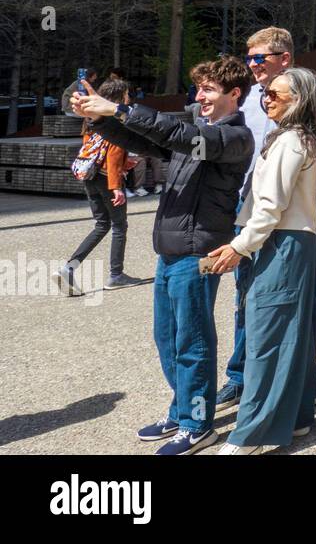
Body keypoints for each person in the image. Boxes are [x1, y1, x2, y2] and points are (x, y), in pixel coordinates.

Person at [72, 55, 255, 455]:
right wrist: (100, 119)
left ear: (235, 94)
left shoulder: (234, 138)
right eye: (198, 88)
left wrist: (119, 107)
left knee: (192, 341)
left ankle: (198, 424)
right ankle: (181, 409)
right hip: (170, 251)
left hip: (200, 253)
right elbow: (146, 140)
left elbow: (173, 133)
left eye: (209, 89)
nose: (200, 96)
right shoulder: (197, 132)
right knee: (167, 338)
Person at [215, 27, 316, 421]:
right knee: (247, 294)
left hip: (295, 210)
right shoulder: (250, 96)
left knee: (300, 295)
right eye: (249, 58)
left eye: (259, 58)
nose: (251, 66)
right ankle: (243, 375)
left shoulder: (315, 91)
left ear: (284, 58)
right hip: (249, 204)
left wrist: (307, 146)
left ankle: (305, 376)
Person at [205, 69, 316, 454]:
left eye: (275, 94)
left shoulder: (291, 141)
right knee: (289, 333)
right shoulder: (297, 138)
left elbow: (269, 207)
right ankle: (295, 419)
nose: (266, 99)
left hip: (279, 243)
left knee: (266, 338)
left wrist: (239, 247)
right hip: (288, 242)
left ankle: (252, 434)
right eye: (266, 94)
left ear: (298, 100)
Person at [59, 79, 145, 293]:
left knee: (101, 224)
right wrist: (117, 186)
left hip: (90, 175)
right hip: (108, 178)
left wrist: (126, 162)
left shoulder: (91, 117)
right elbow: (113, 153)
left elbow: (96, 150)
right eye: (126, 95)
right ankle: (116, 275)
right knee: (119, 226)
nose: (129, 98)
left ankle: (69, 268)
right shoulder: (113, 119)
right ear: (119, 97)